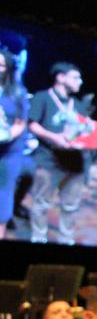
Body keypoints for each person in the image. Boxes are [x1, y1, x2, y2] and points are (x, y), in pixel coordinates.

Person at [26, 62, 86, 245]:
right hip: (48, 160)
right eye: (76, 77)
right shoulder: (43, 97)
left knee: (71, 205)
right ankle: (38, 239)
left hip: (74, 163)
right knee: (41, 203)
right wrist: (54, 137)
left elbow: (83, 127)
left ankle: (66, 241)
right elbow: (32, 124)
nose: (80, 82)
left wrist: (88, 133)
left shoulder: (77, 103)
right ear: (60, 77)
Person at [0, 50, 28, 239]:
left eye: (1, 65)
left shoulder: (17, 92)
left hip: (7, 152)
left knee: (2, 198)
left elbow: (20, 124)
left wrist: (5, 135)